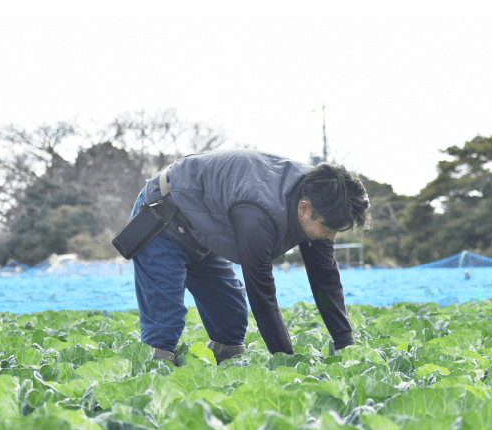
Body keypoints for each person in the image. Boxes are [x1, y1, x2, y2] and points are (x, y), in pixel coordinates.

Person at [125, 149, 371, 366]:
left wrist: (345, 346)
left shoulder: (322, 199)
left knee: (230, 323)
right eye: (329, 229)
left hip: (203, 227)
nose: (332, 236)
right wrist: (287, 363)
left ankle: (221, 378)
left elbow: (325, 279)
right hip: (164, 216)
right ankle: (155, 371)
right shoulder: (258, 215)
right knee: (164, 324)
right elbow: (262, 295)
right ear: (305, 209)